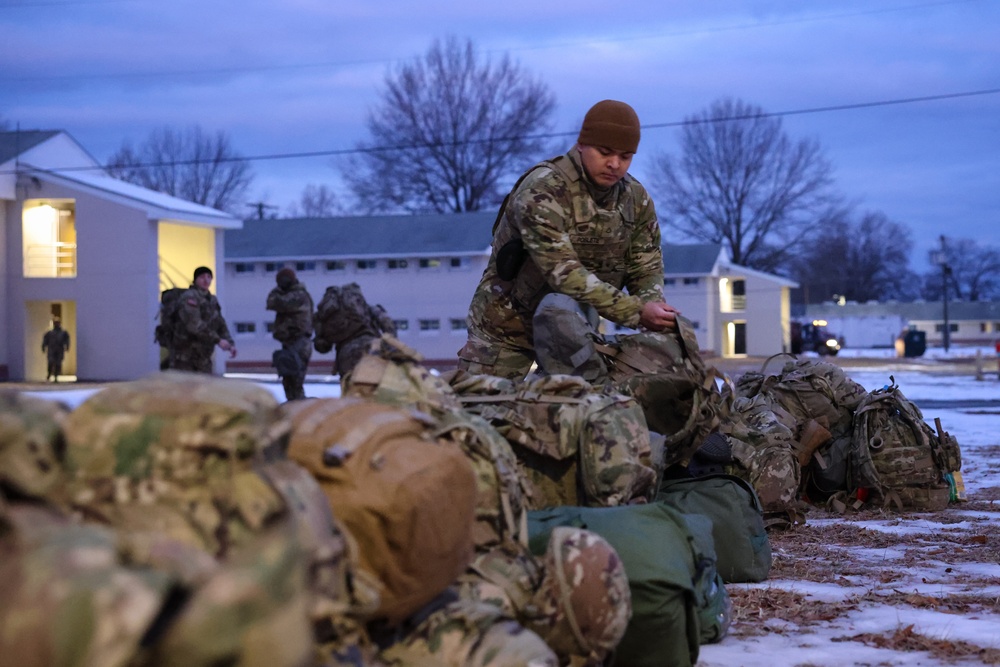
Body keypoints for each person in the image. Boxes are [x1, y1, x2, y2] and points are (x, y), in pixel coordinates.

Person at [457, 99, 679, 380]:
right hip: (508, 323)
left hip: (571, 326)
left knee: (580, 413)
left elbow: (645, 266)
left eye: (625, 156)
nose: (614, 164)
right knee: (480, 412)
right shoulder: (544, 190)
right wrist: (637, 312)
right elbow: (564, 273)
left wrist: (655, 311)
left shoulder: (634, 199)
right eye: (605, 152)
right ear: (582, 144)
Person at [168, 266, 236, 373]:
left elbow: (220, 323)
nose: (206, 280)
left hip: (203, 358)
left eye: (209, 277)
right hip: (185, 359)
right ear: (195, 280)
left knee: (205, 389)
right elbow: (194, 325)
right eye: (202, 277)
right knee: (186, 389)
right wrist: (218, 340)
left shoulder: (212, 300)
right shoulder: (189, 298)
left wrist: (230, 344)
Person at [266, 267, 314, 401]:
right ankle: (294, 410)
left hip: (299, 344)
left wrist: (278, 290)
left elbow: (273, 302)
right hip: (291, 344)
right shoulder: (294, 294)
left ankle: (298, 412)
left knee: (295, 382)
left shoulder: (298, 295)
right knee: (289, 383)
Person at [41, 317, 70, 382]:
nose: (56, 324)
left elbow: (67, 340)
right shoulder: (50, 332)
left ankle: (56, 376)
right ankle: (49, 374)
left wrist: (67, 346)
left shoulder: (63, 332)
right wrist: (43, 346)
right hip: (51, 349)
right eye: (55, 323)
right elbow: (45, 339)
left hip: (59, 349)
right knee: (50, 362)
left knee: (58, 363)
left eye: (57, 323)